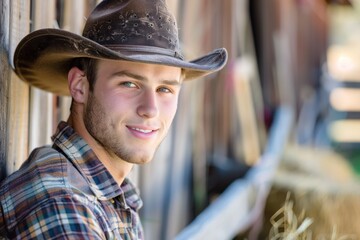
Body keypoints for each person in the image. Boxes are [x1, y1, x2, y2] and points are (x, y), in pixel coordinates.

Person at [0, 0, 227, 239]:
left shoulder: (109, 195)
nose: (150, 109)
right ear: (80, 86)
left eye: (165, 89)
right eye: (129, 83)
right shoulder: (61, 205)